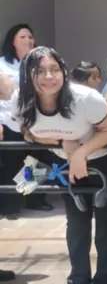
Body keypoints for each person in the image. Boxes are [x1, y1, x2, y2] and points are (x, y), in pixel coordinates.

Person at [13, 47, 107, 284]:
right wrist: (62, 142)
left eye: (54, 69)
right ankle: (79, 277)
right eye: (40, 71)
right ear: (28, 75)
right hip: (63, 161)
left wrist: (81, 152)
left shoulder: (85, 98)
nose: (49, 77)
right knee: (77, 221)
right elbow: (28, 133)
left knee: (105, 223)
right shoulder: (21, 99)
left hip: (101, 161)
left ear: (63, 71)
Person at [0, 23, 53, 215]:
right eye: (22, 37)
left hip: (36, 121)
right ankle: (10, 205)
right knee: (11, 163)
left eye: (30, 37)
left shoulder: (40, 64)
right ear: (12, 41)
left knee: (39, 160)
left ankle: (33, 198)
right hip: (9, 121)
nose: (28, 40)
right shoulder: (2, 65)